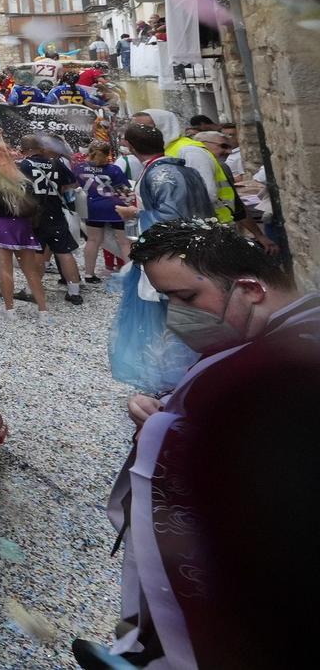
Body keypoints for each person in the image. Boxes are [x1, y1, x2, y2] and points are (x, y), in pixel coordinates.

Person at [72, 221, 320, 670]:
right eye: (167, 299)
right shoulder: (270, 334)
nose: (175, 314)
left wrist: (166, 429)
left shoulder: (285, 365)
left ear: (250, 288)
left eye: (186, 298)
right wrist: (162, 409)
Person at [0, 144, 51, 315]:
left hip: (0, 226)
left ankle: (9, 309)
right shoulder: (22, 182)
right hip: (22, 225)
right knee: (30, 270)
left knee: (6, 270)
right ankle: (43, 310)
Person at [16, 134, 85, 303]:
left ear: (23, 150)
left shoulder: (23, 165)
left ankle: (33, 290)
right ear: (40, 148)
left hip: (35, 216)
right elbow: (73, 184)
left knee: (38, 252)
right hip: (56, 212)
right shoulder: (56, 164)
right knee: (64, 252)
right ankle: (74, 292)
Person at [134, 109, 236, 223]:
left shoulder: (189, 151)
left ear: (164, 126)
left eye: (145, 127)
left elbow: (207, 192)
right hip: (185, 227)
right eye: (135, 127)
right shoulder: (165, 150)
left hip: (212, 225)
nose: (138, 132)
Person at [120, 122, 212, 227]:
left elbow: (172, 217)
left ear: (130, 146)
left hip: (180, 240)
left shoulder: (162, 175)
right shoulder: (176, 170)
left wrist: (134, 213)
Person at [76, 139, 132, 282]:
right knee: (124, 242)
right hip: (116, 207)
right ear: (109, 154)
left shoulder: (80, 168)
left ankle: (89, 274)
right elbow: (125, 191)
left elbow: (74, 186)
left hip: (92, 207)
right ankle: (130, 274)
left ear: (89, 152)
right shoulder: (114, 170)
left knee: (93, 240)